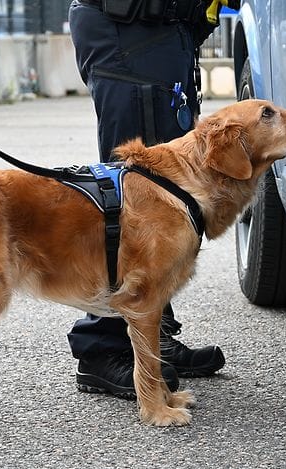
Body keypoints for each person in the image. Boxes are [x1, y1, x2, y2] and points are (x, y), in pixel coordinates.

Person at [67, 0, 232, 398]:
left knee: (162, 204)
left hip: (163, 33)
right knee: (136, 207)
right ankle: (104, 347)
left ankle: (150, 338)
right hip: (132, 27)